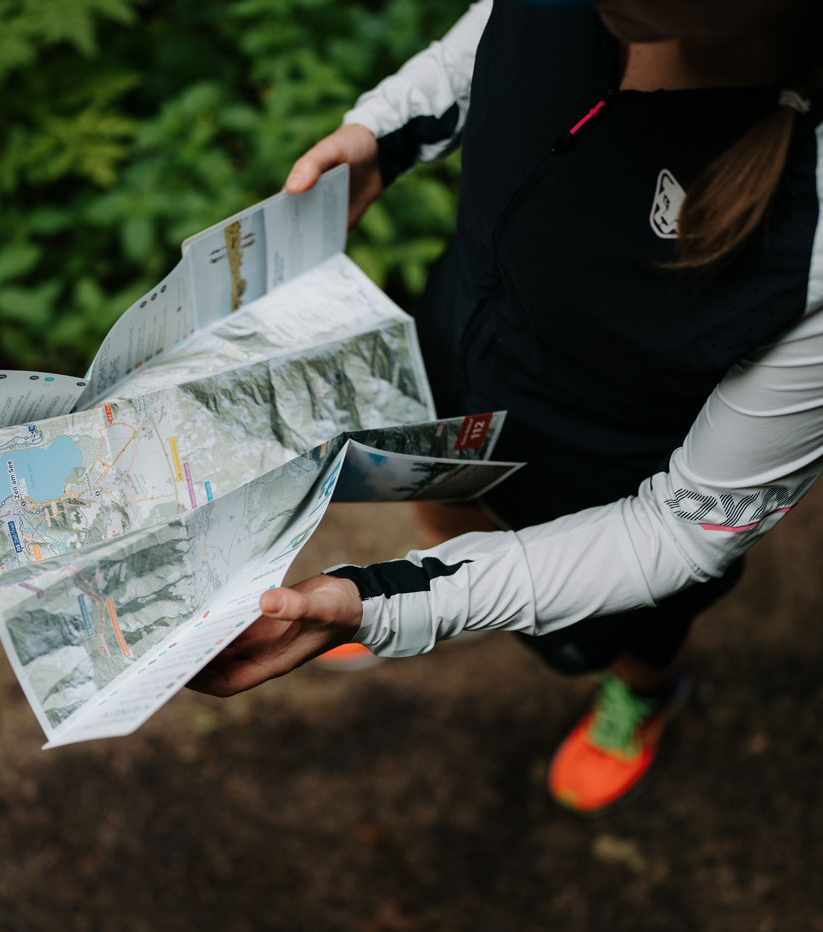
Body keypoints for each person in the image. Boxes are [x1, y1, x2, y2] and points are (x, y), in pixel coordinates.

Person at [188, 0, 823, 813]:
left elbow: (680, 527)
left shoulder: (807, 229)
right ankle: (444, 570)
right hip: (467, 342)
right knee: (441, 493)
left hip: (611, 480)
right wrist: (386, 136)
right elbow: (493, 35)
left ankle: (646, 690)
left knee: (625, 631)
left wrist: (376, 602)